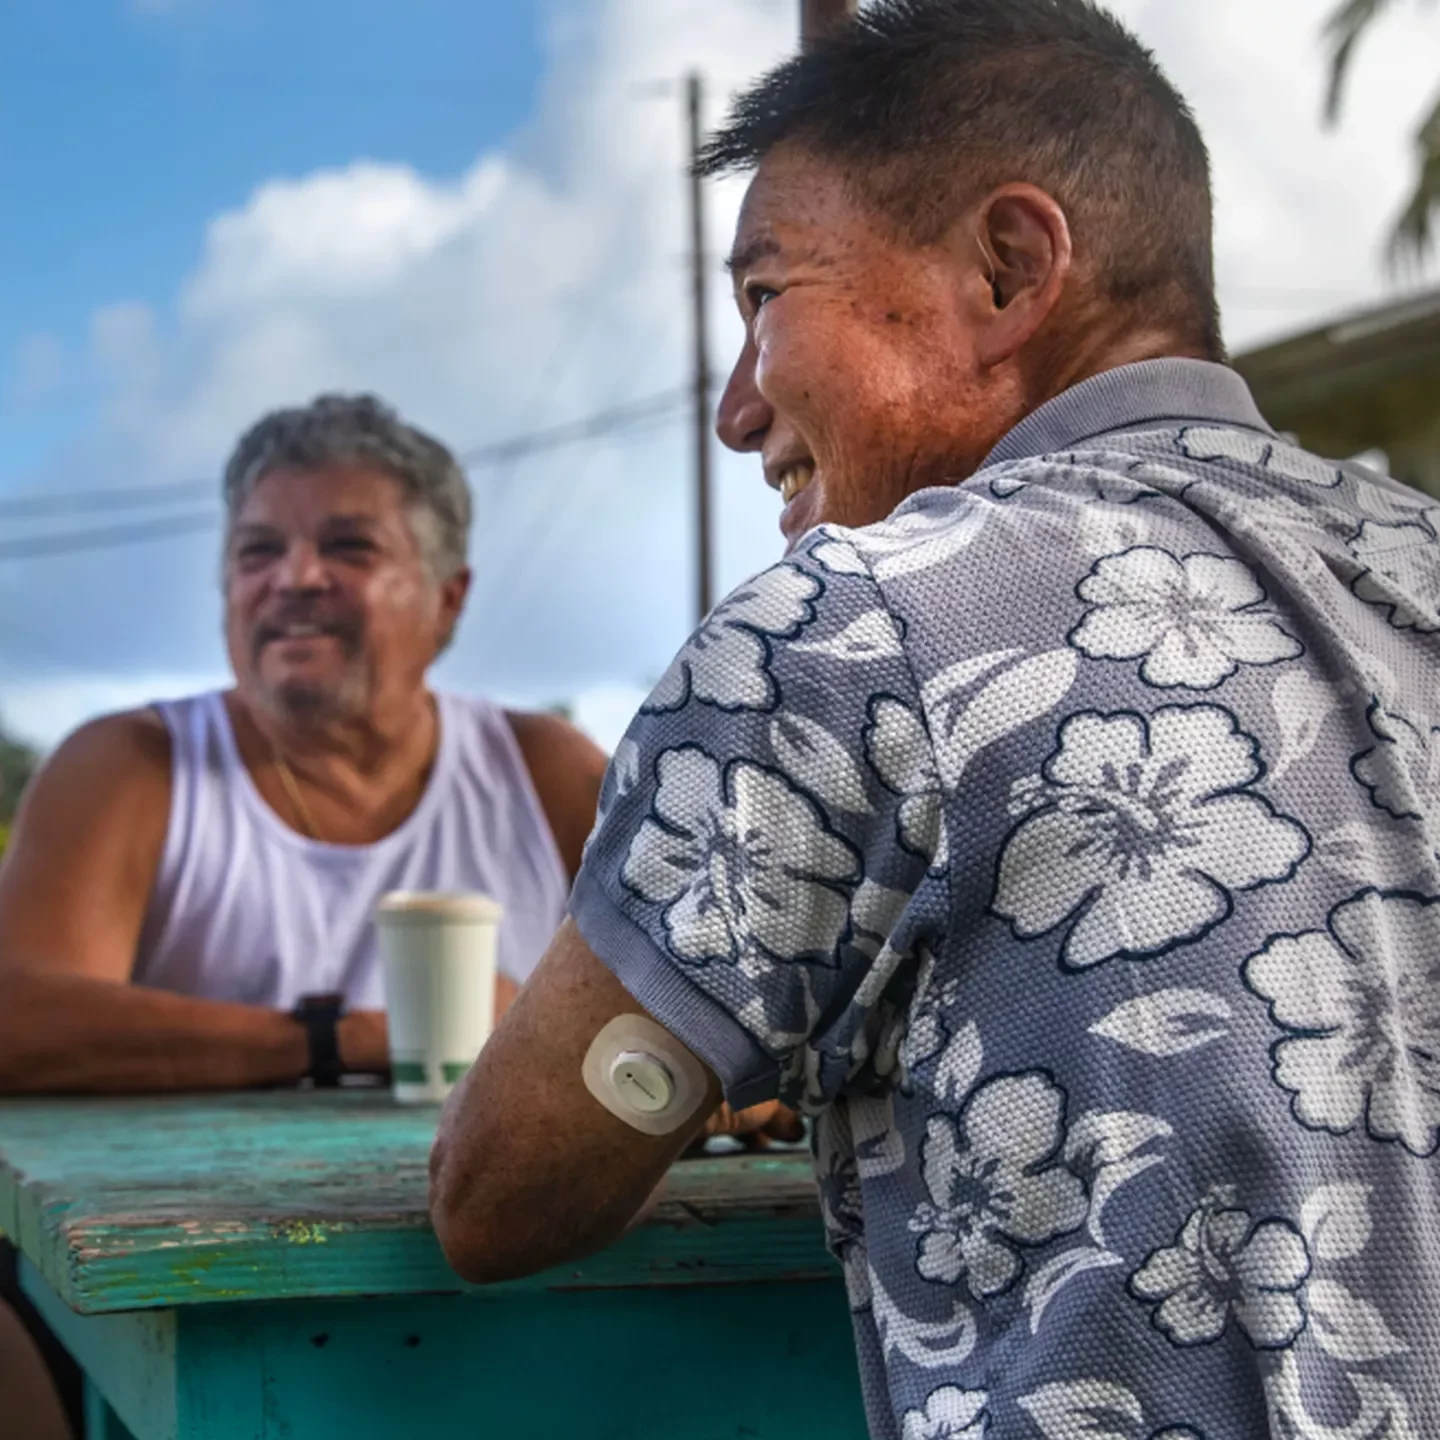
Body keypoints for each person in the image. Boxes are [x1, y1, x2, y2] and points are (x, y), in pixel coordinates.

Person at [429, 3, 1440, 1437]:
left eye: (768, 295)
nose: (732, 410)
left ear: (1008, 268)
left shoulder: (857, 626)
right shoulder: (1415, 566)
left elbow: (501, 1194)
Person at [0, 392, 610, 1438]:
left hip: (508, 1304)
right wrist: (339, 1039)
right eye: (256, 551)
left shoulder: (546, 774)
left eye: (347, 545)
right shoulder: (133, 766)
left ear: (447, 600)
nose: (294, 579)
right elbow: (19, 1024)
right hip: (146, 1298)